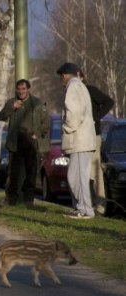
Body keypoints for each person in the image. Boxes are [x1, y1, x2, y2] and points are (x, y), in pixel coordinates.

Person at [0, 79, 49, 207]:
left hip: (30, 142)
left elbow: (45, 124)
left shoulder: (36, 103)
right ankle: (10, 199)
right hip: (15, 141)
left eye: (23, 89)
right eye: (19, 89)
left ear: (28, 89)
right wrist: (11, 107)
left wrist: (36, 133)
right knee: (13, 173)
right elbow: (1, 116)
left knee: (31, 172)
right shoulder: (12, 102)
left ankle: (28, 200)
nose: (21, 91)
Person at [56, 63, 96, 219]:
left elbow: (74, 112)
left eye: (62, 76)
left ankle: (86, 210)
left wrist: (67, 128)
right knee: (76, 176)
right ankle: (82, 207)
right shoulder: (80, 86)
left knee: (78, 177)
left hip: (79, 140)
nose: (61, 79)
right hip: (83, 140)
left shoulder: (73, 87)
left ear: (66, 75)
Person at [79, 70, 115, 214]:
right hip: (78, 137)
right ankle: (86, 204)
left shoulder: (90, 90)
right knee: (82, 172)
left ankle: (100, 206)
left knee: (95, 170)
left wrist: (95, 118)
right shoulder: (71, 94)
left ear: (81, 77)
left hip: (93, 135)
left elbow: (109, 102)